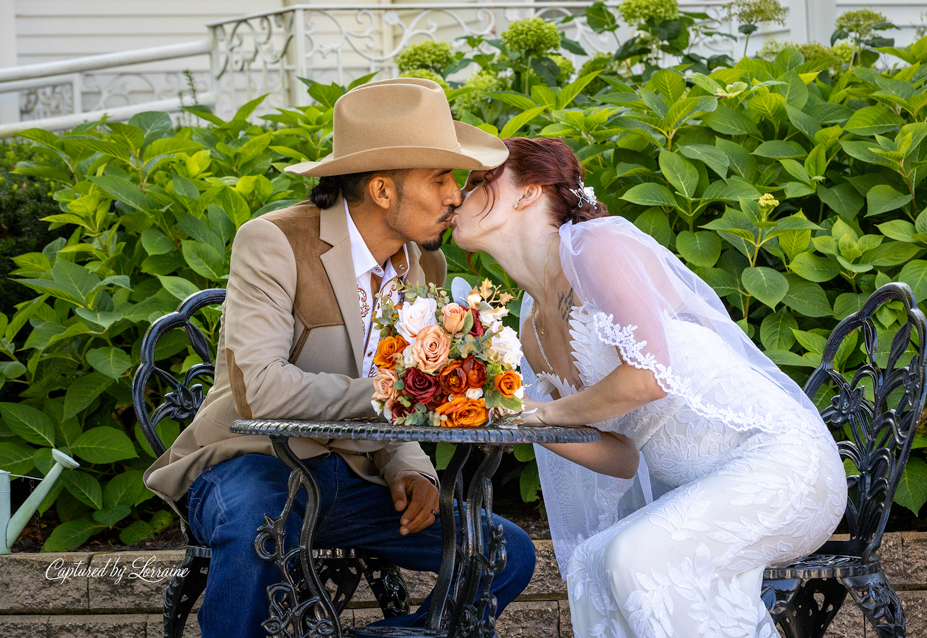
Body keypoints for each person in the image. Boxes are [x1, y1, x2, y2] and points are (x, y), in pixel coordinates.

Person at [143, 79, 535, 637]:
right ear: (381, 190)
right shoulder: (273, 242)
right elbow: (266, 391)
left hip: (349, 477)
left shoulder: (424, 267)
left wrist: (408, 467)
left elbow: (403, 384)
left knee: (501, 551)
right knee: (258, 524)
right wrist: (401, 393)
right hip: (250, 463)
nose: (456, 195)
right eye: (441, 177)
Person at [451, 136, 848, 638]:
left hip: (780, 462)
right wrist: (516, 417)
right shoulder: (530, 330)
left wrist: (546, 414)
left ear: (529, 192)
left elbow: (650, 376)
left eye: (479, 181)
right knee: (593, 564)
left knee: (633, 557)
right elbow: (623, 455)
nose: (458, 196)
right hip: (704, 489)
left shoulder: (595, 249)